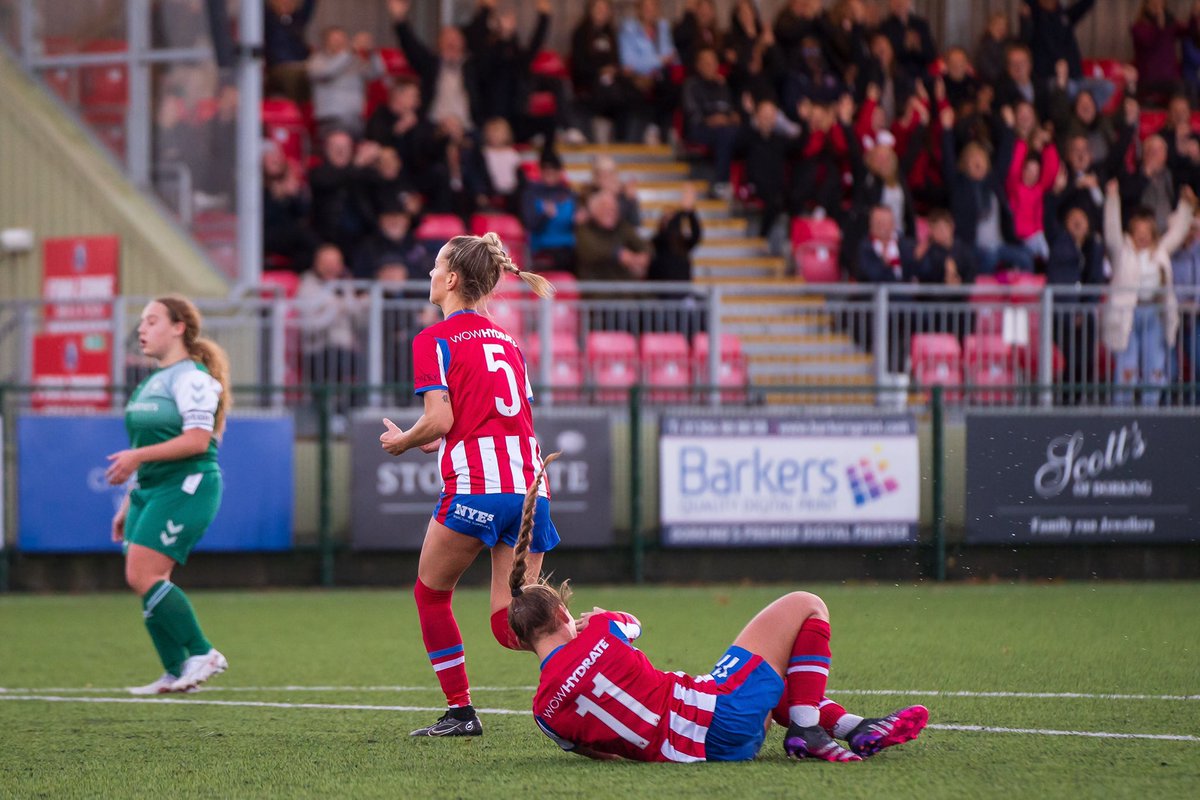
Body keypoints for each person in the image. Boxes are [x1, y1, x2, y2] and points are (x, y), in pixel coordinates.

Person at [503, 459, 928, 763]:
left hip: (702, 752)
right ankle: (807, 730)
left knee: (780, 678)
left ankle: (855, 727)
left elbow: (596, 751)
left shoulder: (543, 713)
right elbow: (633, 624)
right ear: (560, 615)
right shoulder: (601, 630)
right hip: (720, 713)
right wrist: (600, 617)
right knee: (806, 604)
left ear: (523, 641)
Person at [378, 232, 558, 737]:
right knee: (515, 623)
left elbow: (439, 418)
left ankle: (461, 712)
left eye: (437, 265)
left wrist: (405, 441)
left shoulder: (433, 339)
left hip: (477, 489)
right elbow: (496, 417)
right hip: (530, 490)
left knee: (432, 595)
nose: (431, 273)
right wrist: (439, 439)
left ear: (453, 279)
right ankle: (597, 646)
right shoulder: (509, 342)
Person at [108, 295, 231, 695]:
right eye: (142, 322)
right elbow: (149, 445)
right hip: (152, 489)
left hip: (188, 485)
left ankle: (203, 653)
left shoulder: (193, 378)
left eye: (152, 321)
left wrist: (135, 458)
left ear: (179, 328)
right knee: (147, 577)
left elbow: (197, 441)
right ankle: (175, 671)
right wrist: (130, 499)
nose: (142, 329)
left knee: (142, 574)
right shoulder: (151, 381)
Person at [1103, 179, 1196, 406]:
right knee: (1127, 366)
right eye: (1138, 232)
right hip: (1128, 315)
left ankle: (1151, 408)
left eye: (1147, 232)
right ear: (1132, 233)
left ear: (1153, 233)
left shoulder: (1161, 251)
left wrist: (1186, 206)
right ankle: (1122, 411)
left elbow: (1177, 233)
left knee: (1155, 365)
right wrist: (1112, 199)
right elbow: (1111, 231)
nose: (1143, 236)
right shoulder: (1122, 252)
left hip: (1154, 314)